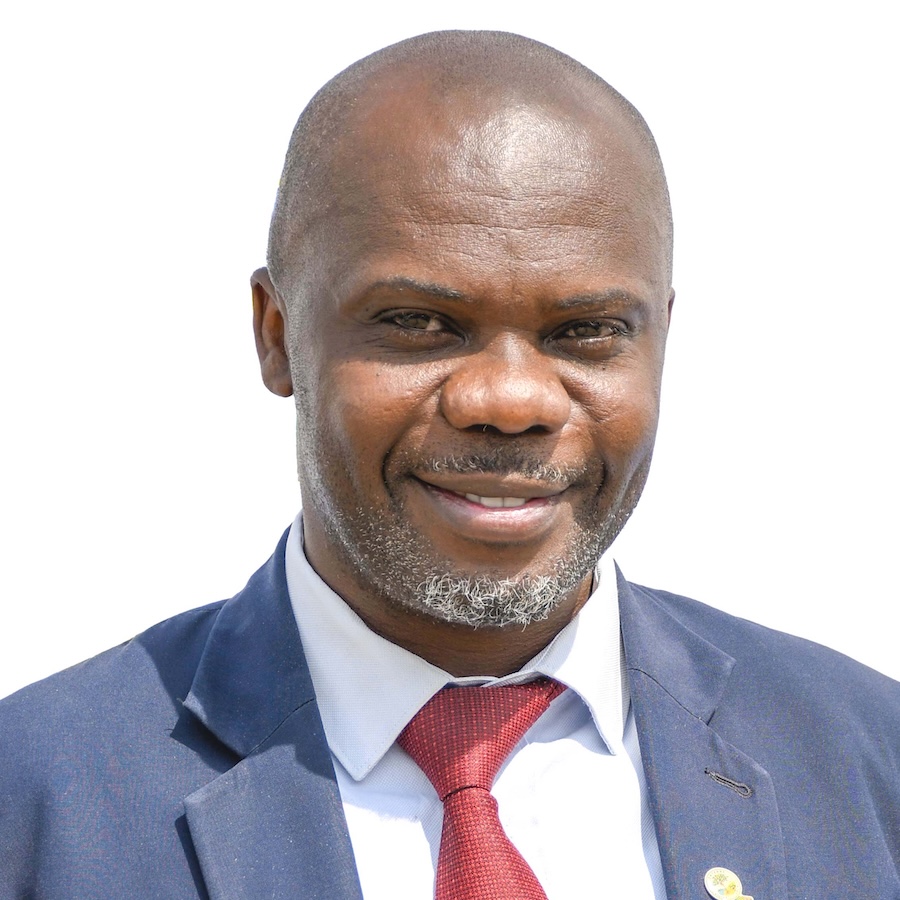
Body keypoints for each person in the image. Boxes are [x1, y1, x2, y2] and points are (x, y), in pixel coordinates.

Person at [1, 30, 898, 900]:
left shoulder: (865, 758)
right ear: (277, 335)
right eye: (419, 323)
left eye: (587, 331)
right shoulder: (36, 801)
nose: (509, 400)